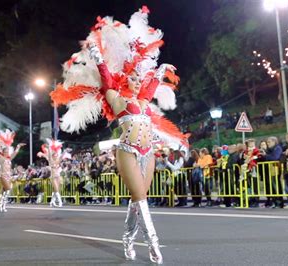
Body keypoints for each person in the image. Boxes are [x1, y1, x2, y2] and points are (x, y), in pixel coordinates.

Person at [50, 6, 188, 264]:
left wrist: (161, 69)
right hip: (128, 151)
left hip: (149, 153)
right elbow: (106, 80)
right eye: (133, 79)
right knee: (142, 199)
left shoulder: (145, 101)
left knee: (138, 200)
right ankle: (154, 246)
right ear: (126, 81)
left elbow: (152, 85)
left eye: (139, 79)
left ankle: (127, 239)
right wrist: (98, 56)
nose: (137, 81)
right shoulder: (117, 99)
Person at [0, 129, 25, 213]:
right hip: (2, 175)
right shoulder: (1, 158)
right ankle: (3, 205)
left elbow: (15, 152)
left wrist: (18, 146)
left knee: (4, 190)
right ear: (3, 152)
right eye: (6, 151)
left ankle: (1, 203)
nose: (7, 152)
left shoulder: (9, 158)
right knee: (8, 189)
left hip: (8, 176)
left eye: (8, 151)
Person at [37, 138, 64, 207]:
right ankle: (60, 202)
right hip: (53, 177)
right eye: (55, 155)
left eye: (56, 155)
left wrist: (65, 151)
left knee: (56, 190)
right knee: (57, 190)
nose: (56, 155)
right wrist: (49, 148)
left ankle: (52, 202)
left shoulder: (58, 161)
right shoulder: (50, 160)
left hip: (58, 176)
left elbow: (61, 157)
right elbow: (48, 155)